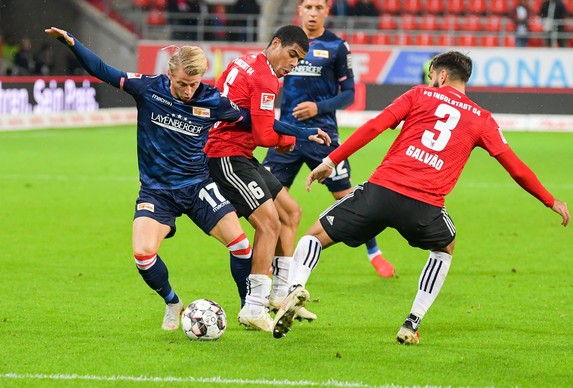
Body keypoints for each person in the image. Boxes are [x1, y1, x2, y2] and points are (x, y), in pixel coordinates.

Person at [272, 51, 570, 343]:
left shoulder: (419, 95)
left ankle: (296, 286)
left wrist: (331, 160)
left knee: (314, 235)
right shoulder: (482, 119)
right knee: (445, 247)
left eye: (432, 77)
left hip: (381, 191)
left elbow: (374, 126)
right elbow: (516, 169)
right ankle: (411, 323)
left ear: (441, 75)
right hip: (424, 206)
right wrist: (549, 200)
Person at [45, 26, 260, 332]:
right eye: (183, 84)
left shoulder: (212, 100)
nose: (188, 91)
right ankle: (172, 302)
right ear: (170, 74)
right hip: (157, 192)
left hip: (198, 186)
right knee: (143, 256)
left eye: (194, 84)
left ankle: (246, 309)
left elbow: (253, 122)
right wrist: (72, 42)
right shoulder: (148, 88)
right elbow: (102, 70)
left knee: (240, 245)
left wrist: (296, 133)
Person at [205, 25, 330, 330]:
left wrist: (300, 132)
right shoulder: (265, 78)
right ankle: (254, 306)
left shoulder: (244, 61)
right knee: (269, 222)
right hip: (226, 156)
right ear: (276, 43)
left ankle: (280, 295)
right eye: (291, 55)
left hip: (239, 153)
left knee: (291, 212)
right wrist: (292, 140)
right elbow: (263, 134)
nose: (292, 64)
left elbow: (258, 119)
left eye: (298, 60)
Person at [263, 0, 395, 279]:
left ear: (327, 10)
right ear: (299, 9)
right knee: (267, 199)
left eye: (318, 7)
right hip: (285, 135)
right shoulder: (284, 44)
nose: (313, 13)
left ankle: (374, 252)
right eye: (308, 7)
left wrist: (317, 108)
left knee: (345, 197)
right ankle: (275, 265)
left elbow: (349, 94)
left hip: (323, 136)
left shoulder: (337, 46)